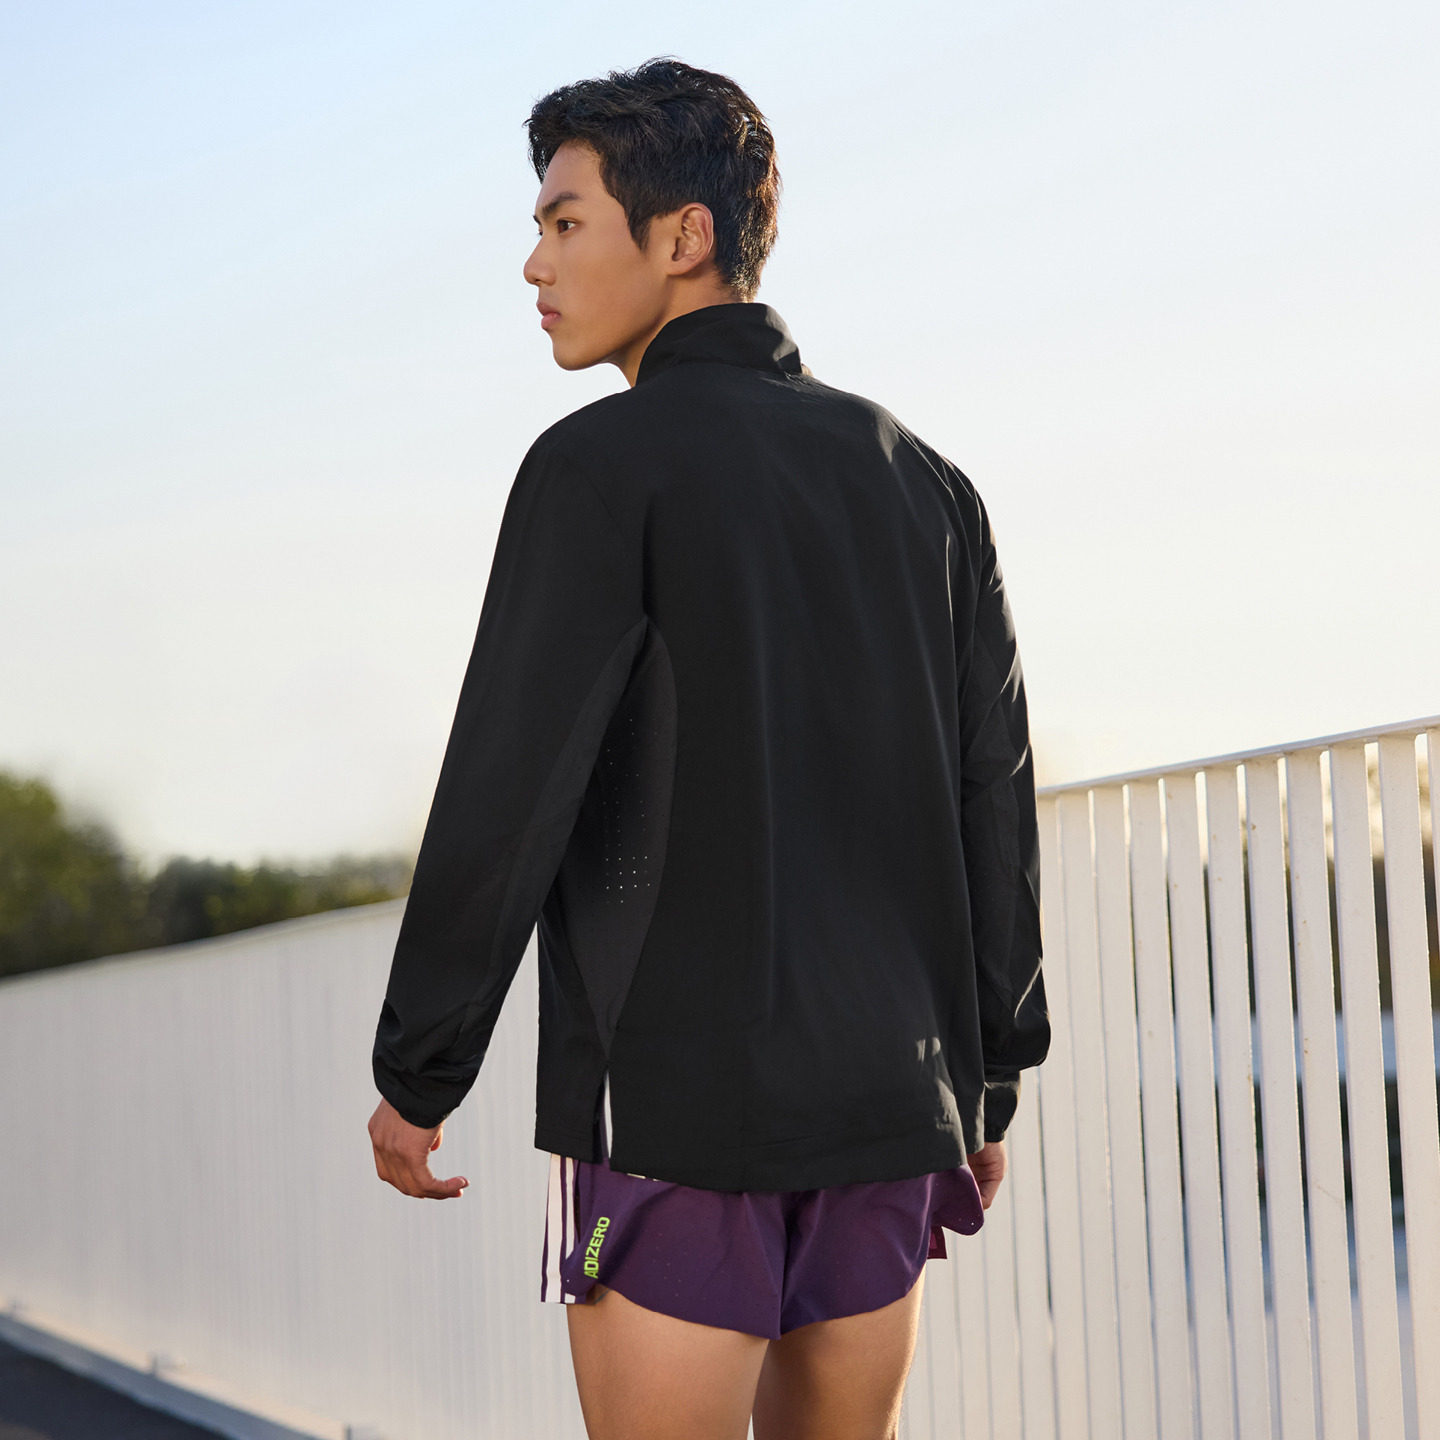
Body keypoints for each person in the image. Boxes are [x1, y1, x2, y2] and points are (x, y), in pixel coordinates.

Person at [367, 55, 1050, 1440]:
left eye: (565, 222)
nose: (534, 264)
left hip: (674, 1109)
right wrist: (988, 1077)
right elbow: (996, 796)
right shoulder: (927, 482)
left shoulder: (597, 466)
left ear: (682, 236)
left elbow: (509, 792)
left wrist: (417, 1071)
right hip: (891, 1096)